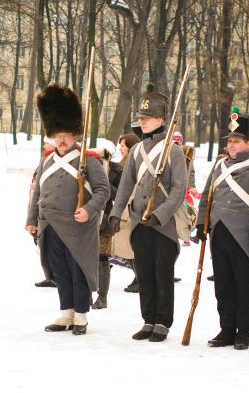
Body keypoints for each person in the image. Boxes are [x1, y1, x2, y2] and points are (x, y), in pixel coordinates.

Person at [26, 84, 109, 335]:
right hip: (49, 223)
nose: (61, 140)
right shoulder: (46, 159)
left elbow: (104, 191)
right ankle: (66, 314)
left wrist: (88, 210)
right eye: (57, 135)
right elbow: (38, 191)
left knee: (78, 270)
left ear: (75, 135)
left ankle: (81, 316)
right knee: (59, 271)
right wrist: (32, 219)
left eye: (66, 135)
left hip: (77, 225)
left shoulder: (89, 159)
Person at [110, 83, 187, 342]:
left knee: (162, 274)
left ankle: (163, 322)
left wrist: (161, 214)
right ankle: (148, 319)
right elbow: (125, 185)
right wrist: (116, 212)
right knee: (144, 273)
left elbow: (179, 189)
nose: (142, 122)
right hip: (139, 223)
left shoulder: (173, 151)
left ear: (162, 119)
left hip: (161, 225)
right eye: (141, 118)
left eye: (148, 118)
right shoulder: (136, 151)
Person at [196, 107, 249, 350]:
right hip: (219, 234)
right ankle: (227, 328)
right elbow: (205, 197)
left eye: (237, 141)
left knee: (245, 286)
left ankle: (244, 332)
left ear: (248, 143)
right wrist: (202, 222)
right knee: (224, 285)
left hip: (245, 237)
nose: (232, 145)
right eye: (230, 141)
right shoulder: (219, 166)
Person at [92, 140, 122, 310]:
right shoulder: (89, 167)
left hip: (106, 219)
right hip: (89, 217)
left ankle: (102, 297)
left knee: (102, 258)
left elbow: (120, 194)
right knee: (86, 258)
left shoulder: (117, 171)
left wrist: (104, 182)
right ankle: (86, 293)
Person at [114, 133, 141, 293]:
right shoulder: (123, 163)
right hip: (123, 209)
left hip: (130, 210)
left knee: (132, 248)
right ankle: (138, 277)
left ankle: (140, 278)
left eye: (123, 146)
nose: (120, 149)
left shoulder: (134, 164)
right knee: (126, 248)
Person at [32, 136, 57, 288]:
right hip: (39, 206)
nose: (44, 146)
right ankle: (49, 275)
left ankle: (54, 275)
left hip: (50, 209)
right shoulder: (45, 159)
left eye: (47, 143)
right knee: (40, 243)